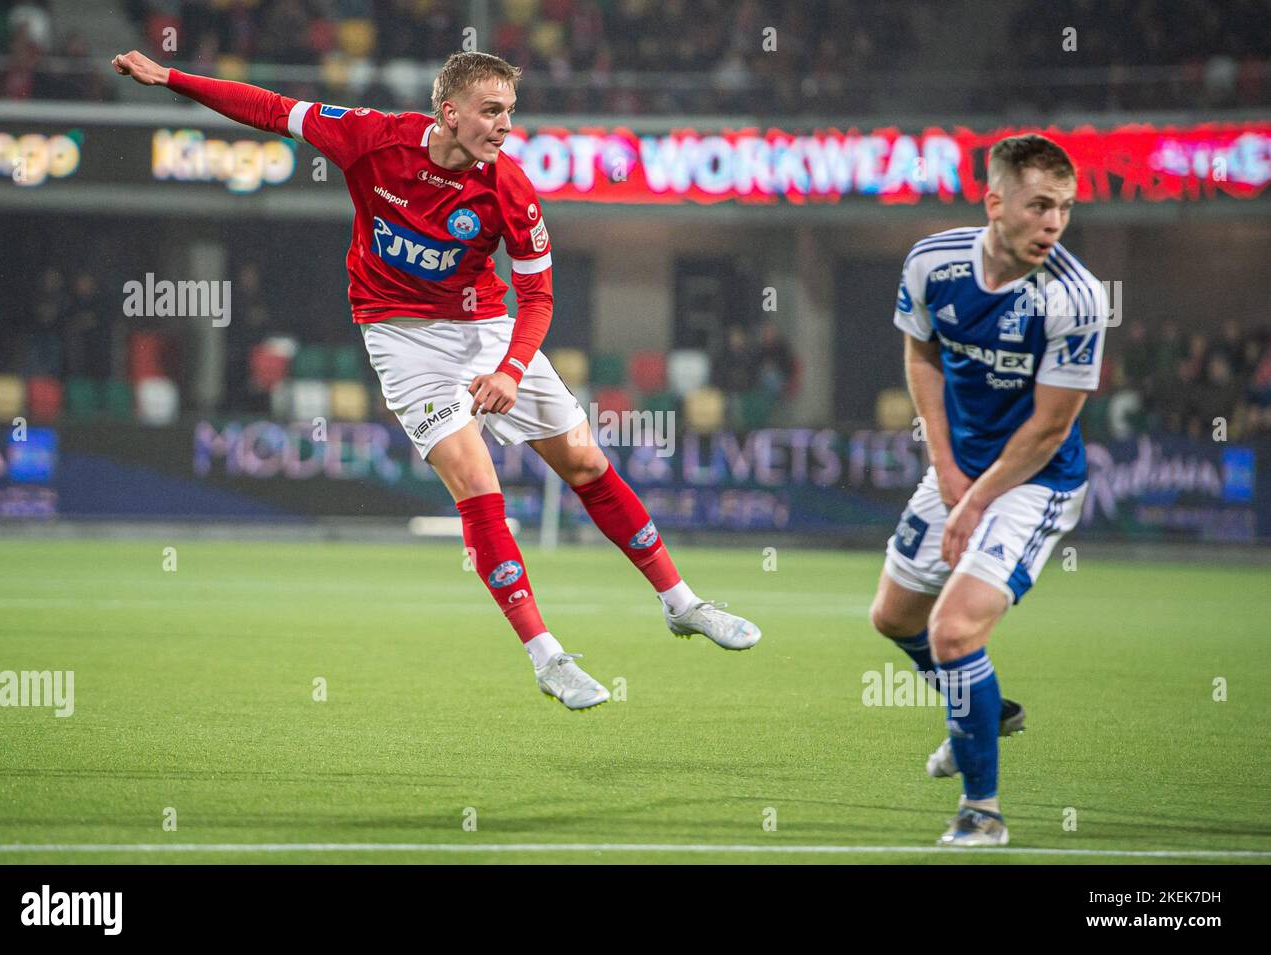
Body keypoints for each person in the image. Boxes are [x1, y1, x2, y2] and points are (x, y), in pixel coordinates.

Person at [111, 48, 761, 711]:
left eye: (510, 111)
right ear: (449, 113)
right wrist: (172, 79)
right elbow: (270, 109)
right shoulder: (371, 138)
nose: (504, 125)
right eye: (490, 111)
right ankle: (547, 656)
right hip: (400, 335)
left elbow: (538, 299)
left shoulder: (509, 187)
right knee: (479, 483)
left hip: (485, 329)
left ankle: (681, 602)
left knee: (586, 459)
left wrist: (509, 369)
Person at [867, 135, 1107, 846]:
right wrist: (945, 469)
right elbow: (921, 353)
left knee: (954, 629)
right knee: (893, 617)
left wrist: (972, 502)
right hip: (961, 470)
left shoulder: (1077, 296)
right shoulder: (933, 263)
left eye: (1064, 209)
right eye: (1040, 206)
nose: (1054, 223)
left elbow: (1047, 428)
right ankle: (984, 710)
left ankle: (983, 812)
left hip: (1036, 482)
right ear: (995, 201)